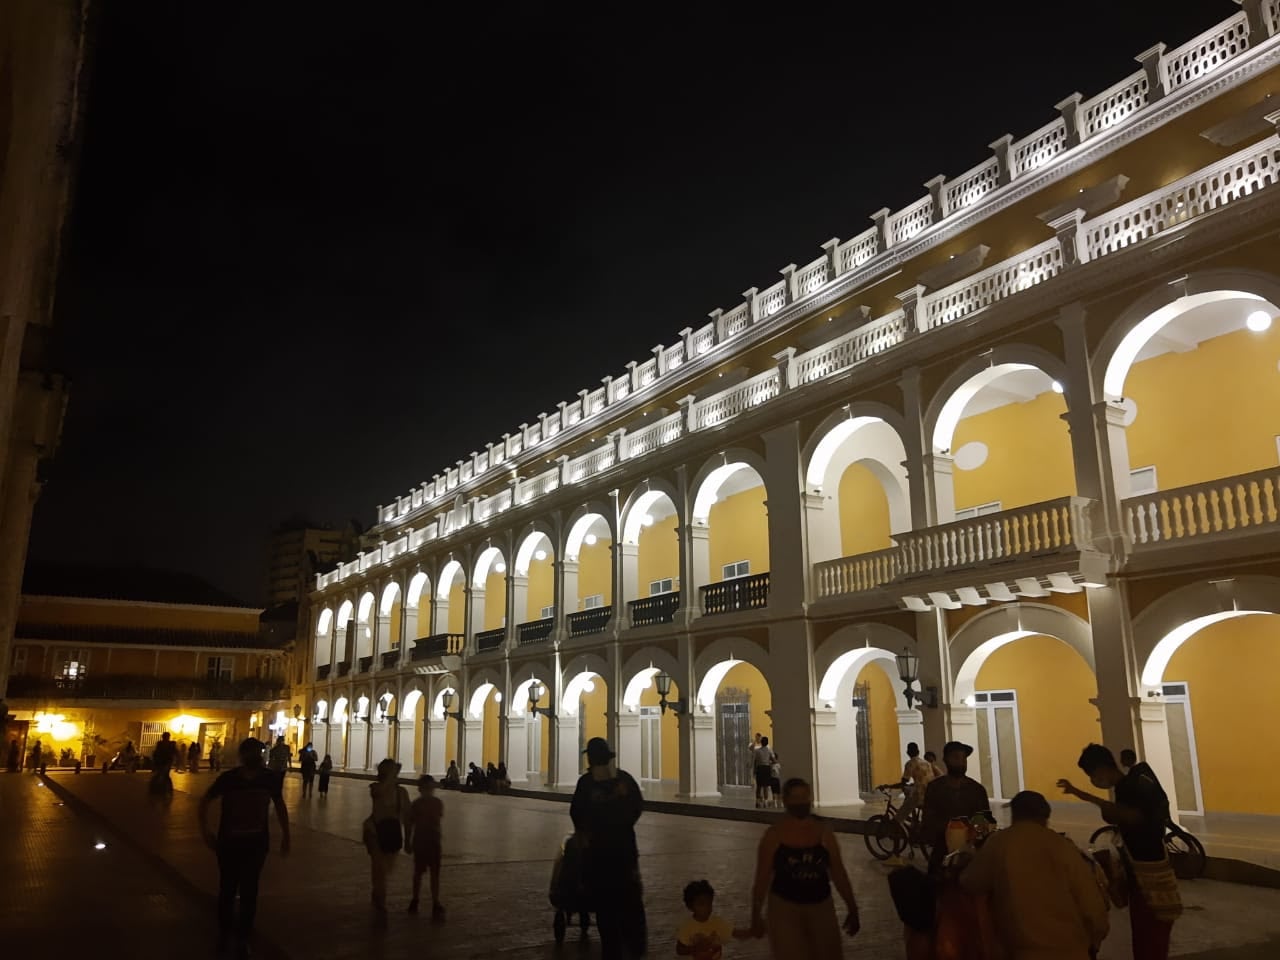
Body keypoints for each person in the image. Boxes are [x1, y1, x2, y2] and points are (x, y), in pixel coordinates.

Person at [1059, 744, 1181, 960]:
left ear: (1101, 769)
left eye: (1092, 775)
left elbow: (1132, 816)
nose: (1094, 781)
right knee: (1150, 937)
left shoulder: (1129, 788)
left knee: (1149, 936)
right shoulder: (1131, 784)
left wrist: (1092, 800)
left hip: (1148, 875)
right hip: (1147, 870)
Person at [960, 790, 1109, 960]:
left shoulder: (999, 843)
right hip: (1072, 951)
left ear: (1015, 815)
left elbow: (970, 882)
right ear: (1045, 817)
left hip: (1022, 952)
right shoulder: (1064, 846)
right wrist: (1094, 940)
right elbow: (1092, 907)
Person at [198, 738, 290, 959]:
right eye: (252, 752)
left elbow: (280, 806)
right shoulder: (229, 779)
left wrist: (287, 835)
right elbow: (204, 802)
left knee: (249, 891)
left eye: (258, 752)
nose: (256, 756)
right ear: (243, 755)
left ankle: (242, 937)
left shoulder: (269, 779)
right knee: (227, 889)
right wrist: (205, 831)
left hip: (256, 845)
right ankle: (225, 934)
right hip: (229, 844)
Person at [750, 778, 859, 959]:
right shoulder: (774, 835)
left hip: (821, 905)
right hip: (785, 907)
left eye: (804, 797)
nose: (801, 803)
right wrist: (756, 913)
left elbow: (838, 872)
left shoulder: (823, 832)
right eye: (796, 798)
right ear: (786, 801)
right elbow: (762, 878)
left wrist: (852, 907)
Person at [570, 737, 645, 960]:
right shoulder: (624, 779)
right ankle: (633, 947)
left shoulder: (586, 783)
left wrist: (586, 831)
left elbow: (576, 812)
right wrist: (623, 823)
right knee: (629, 902)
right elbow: (637, 807)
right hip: (624, 852)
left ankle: (615, 950)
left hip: (599, 855)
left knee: (607, 909)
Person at [921, 741, 990, 872]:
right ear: (946, 760)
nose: (961, 762)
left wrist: (974, 833)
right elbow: (928, 821)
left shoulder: (977, 790)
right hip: (942, 852)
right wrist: (950, 831)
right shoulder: (935, 788)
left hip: (971, 855)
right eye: (956, 757)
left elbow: (985, 822)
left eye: (964, 758)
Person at [363, 758, 412, 915]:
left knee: (386, 868)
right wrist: (391, 777)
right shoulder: (376, 788)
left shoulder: (401, 793)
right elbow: (379, 793)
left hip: (392, 834)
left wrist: (408, 839)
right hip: (374, 832)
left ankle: (377, 891)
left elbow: (408, 818)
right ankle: (380, 899)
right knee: (380, 868)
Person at [677, 879, 751, 960]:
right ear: (690, 907)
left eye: (709, 903)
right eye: (701, 904)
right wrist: (694, 949)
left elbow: (735, 933)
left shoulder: (717, 922)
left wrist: (753, 931)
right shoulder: (687, 926)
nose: (707, 907)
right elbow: (679, 950)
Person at [406, 774, 445, 919]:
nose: (429, 791)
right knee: (420, 873)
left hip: (430, 841)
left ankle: (433, 901)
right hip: (424, 841)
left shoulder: (431, 803)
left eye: (430, 788)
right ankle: (418, 899)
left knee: (432, 873)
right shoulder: (424, 804)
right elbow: (410, 824)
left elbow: (411, 823)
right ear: (421, 789)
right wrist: (407, 841)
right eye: (427, 788)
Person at [881, 742, 934, 828]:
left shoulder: (910, 763)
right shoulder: (926, 763)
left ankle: (894, 826)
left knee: (899, 816)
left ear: (908, 752)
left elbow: (904, 781)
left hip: (920, 795)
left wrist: (889, 786)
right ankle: (913, 823)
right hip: (930, 793)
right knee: (909, 795)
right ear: (918, 752)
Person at [752, 736, 777, 809]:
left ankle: (757, 802)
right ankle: (765, 802)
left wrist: (754, 771)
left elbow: (755, 762)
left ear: (761, 742)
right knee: (766, 786)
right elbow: (774, 760)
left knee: (759, 786)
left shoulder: (757, 751)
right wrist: (769, 762)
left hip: (759, 768)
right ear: (767, 743)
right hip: (766, 768)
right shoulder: (769, 751)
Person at [151, 732, 177, 797]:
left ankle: (166, 788)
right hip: (160, 761)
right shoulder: (160, 744)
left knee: (165, 775)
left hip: (167, 762)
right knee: (160, 774)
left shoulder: (171, 744)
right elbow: (156, 752)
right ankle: (160, 788)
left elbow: (175, 752)